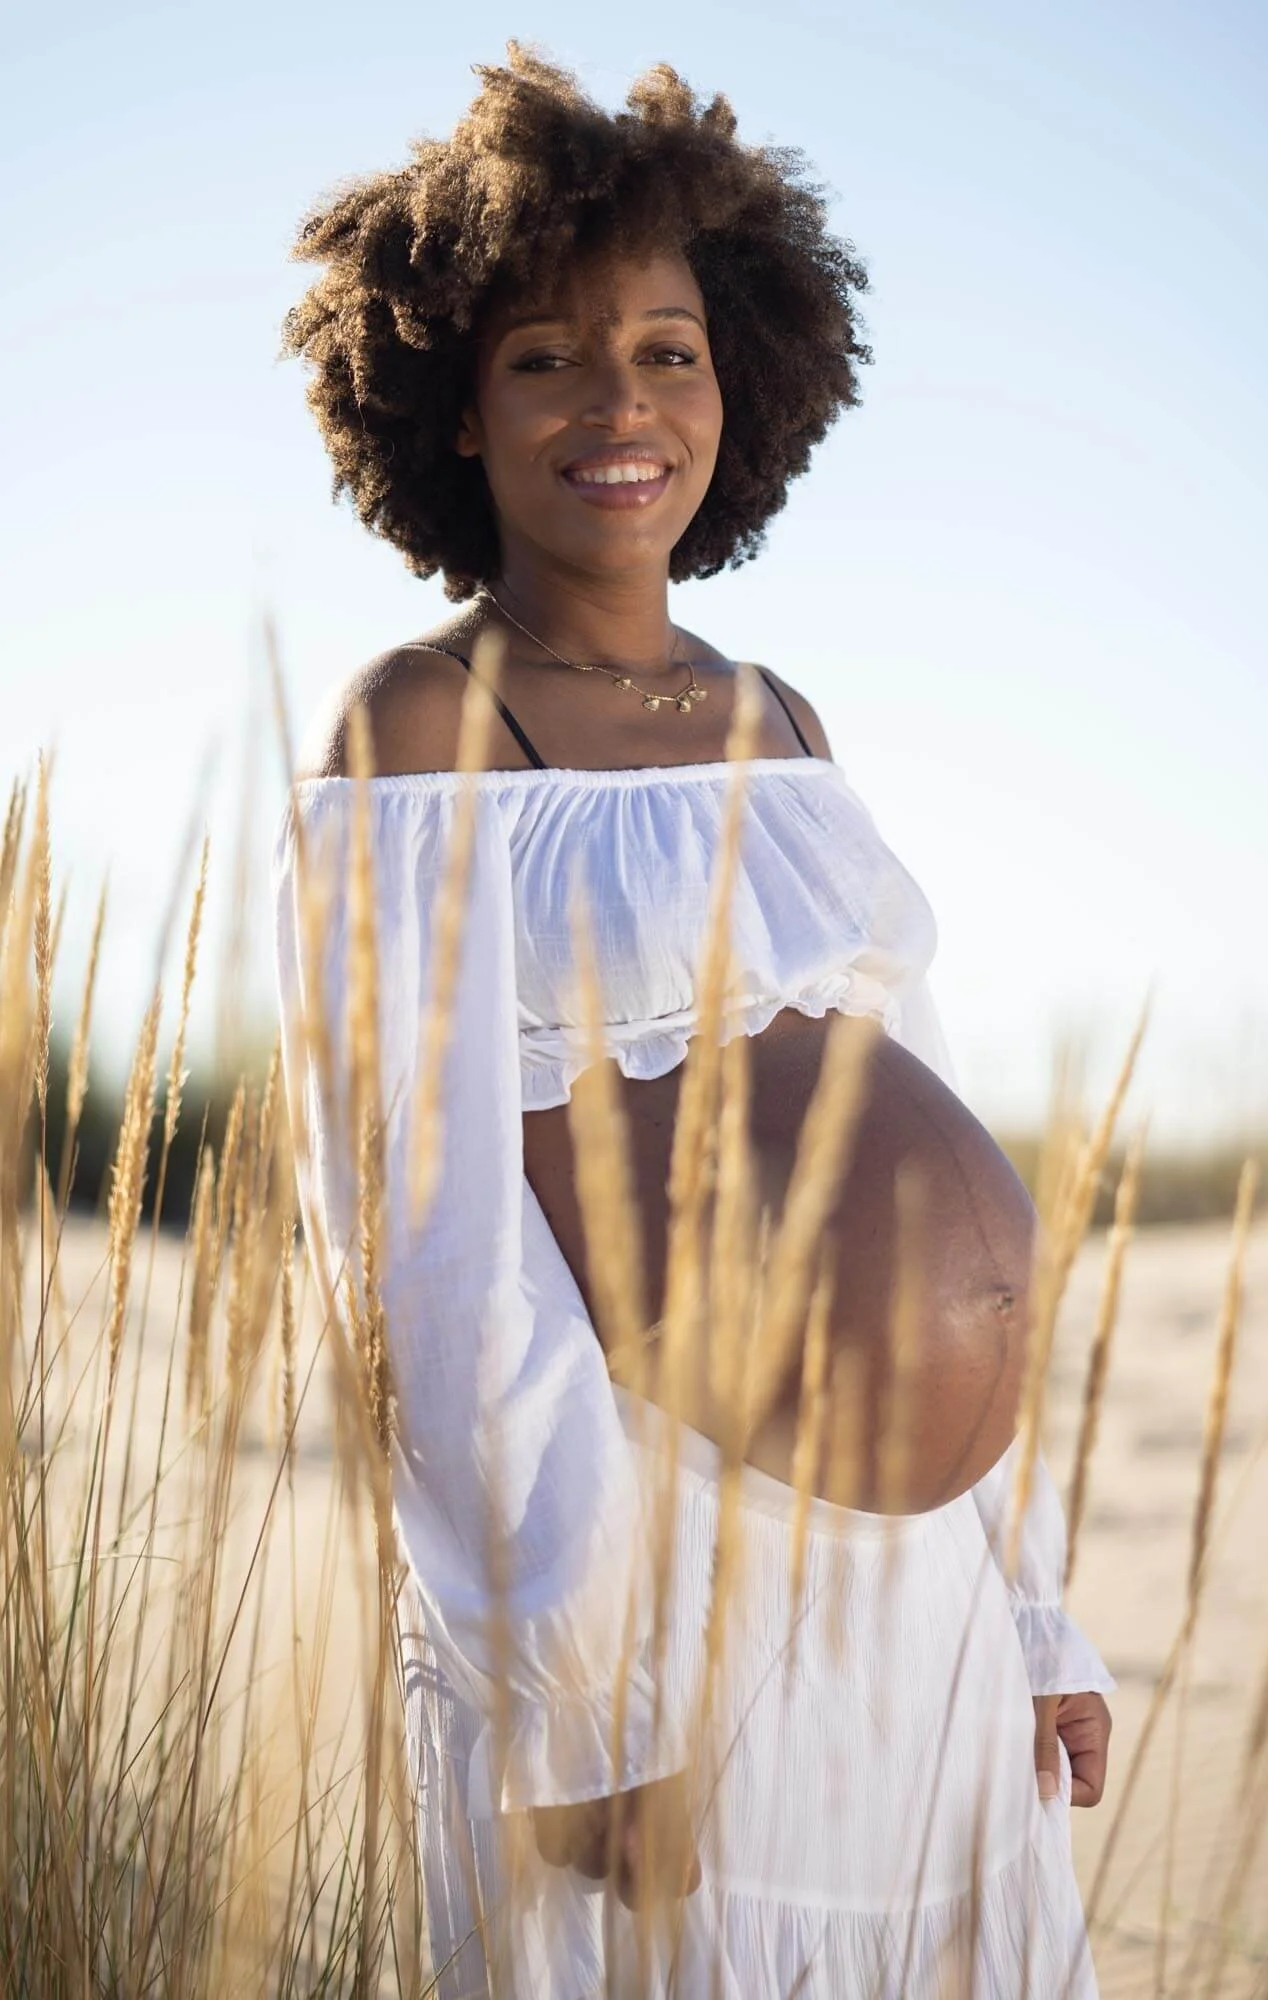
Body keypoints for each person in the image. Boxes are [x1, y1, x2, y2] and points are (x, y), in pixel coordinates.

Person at [272, 47, 1115, 1999]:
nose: (619, 407)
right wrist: (581, 1696)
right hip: (658, 1598)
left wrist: (1036, 1607)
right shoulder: (421, 729)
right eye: (547, 358)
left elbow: (918, 1128)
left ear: (744, 381)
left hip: (909, 1612)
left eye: (667, 351)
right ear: (450, 408)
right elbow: (428, 1246)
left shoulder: (784, 720)